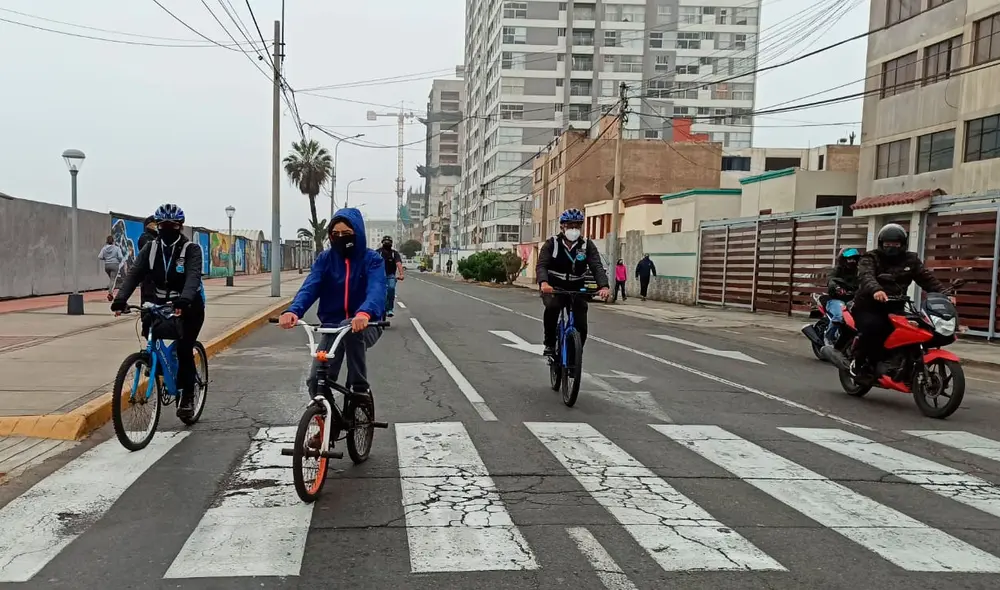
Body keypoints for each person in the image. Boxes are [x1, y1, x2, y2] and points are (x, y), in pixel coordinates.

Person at [111, 204, 206, 420]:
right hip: (159, 304)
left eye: (172, 225)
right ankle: (159, 367)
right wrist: (120, 300)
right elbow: (134, 274)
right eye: (162, 225)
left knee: (184, 349)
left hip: (189, 305)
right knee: (149, 333)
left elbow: (193, 277)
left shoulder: (191, 250)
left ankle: (188, 395)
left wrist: (184, 299)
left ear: (180, 227)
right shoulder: (151, 248)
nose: (166, 228)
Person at [278, 208, 386, 397]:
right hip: (331, 327)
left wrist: (364, 313)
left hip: (367, 323)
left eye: (346, 233)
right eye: (336, 234)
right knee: (316, 381)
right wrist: (293, 311)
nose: (341, 237)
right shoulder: (325, 259)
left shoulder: (372, 260)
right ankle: (327, 419)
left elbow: (376, 290)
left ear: (357, 233)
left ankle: (359, 389)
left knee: (350, 327)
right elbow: (310, 286)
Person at [833, 223, 944, 377]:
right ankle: (858, 363)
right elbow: (866, 276)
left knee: (917, 328)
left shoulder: (911, 260)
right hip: (868, 306)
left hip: (895, 307)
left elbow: (926, 279)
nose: (892, 247)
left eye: (896, 244)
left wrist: (943, 294)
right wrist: (876, 290)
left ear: (903, 244)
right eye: (888, 244)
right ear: (881, 244)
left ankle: (898, 361)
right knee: (875, 327)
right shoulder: (870, 257)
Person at [536, 208, 610, 357]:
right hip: (554, 287)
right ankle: (550, 343)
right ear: (562, 227)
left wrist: (604, 286)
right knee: (552, 307)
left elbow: (596, 266)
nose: (574, 229)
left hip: (577, 286)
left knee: (581, 322)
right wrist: (544, 283)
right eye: (570, 226)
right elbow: (542, 265)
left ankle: (574, 355)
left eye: (577, 226)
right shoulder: (552, 243)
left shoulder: (586, 245)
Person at [823, 247, 861, 346]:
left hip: (853, 300)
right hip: (837, 299)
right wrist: (836, 287)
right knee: (839, 317)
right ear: (843, 259)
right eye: (849, 259)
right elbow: (831, 280)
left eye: (854, 259)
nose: (852, 261)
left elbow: (865, 282)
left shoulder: (859, 272)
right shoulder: (837, 270)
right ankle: (829, 338)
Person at [137, 215, 159, 336]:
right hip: (148, 283)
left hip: (157, 284)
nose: (157, 226)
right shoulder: (146, 238)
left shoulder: (157, 237)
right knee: (148, 313)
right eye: (155, 224)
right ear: (148, 225)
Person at [378, 236, 404, 317]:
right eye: (385, 242)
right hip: (379, 276)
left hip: (390, 275)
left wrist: (401, 274)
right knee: (376, 292)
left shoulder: (394, 253)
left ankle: (390, 309)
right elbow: (371, 263)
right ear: (382, 243)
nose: (387, 243)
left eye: (388, 242)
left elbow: (398, 263)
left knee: (391, 288)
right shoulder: (378, 252)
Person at [98, 236, 125, 301]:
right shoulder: (117, 248)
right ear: (113, 241)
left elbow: (100, 256)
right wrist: (118, 261)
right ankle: (110, 294)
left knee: (111, 280)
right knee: (113, 280)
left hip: (107, 265)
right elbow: (120, 257)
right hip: (114, 265)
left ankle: (110, 289)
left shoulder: (104, 248)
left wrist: (106, 258)